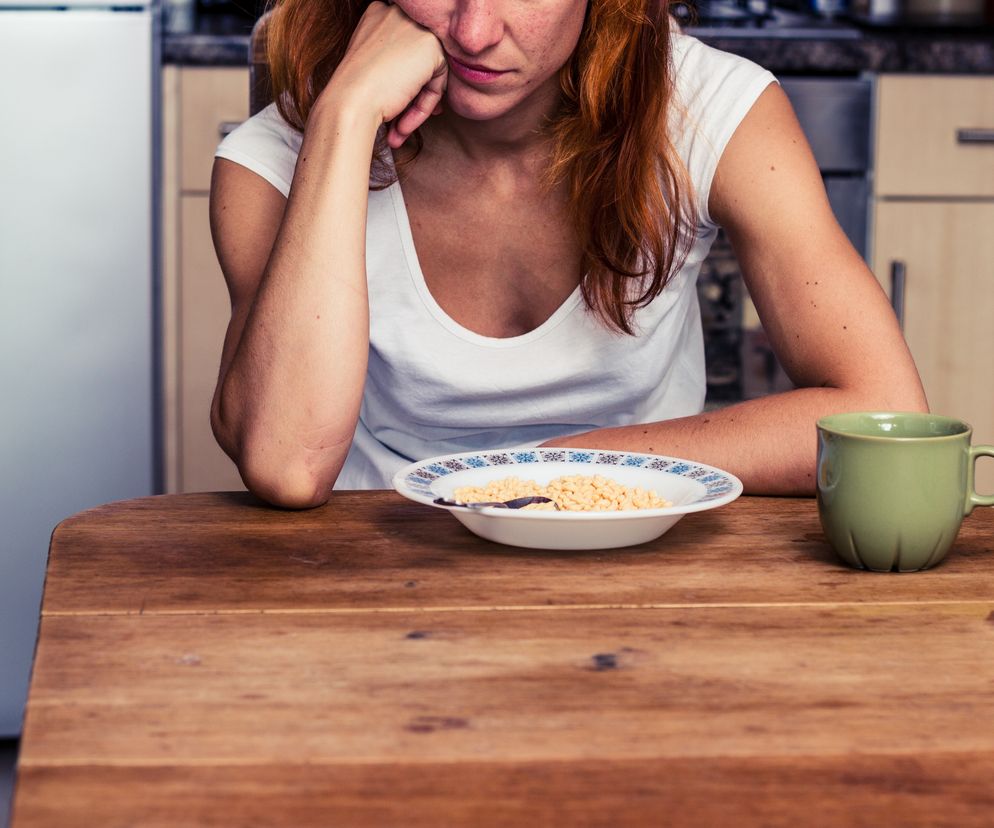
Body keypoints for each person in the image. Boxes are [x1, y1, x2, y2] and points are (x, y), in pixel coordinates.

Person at [209, 0, 927, 509]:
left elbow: (883, 410)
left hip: (635, 538)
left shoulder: (709, 107)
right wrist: (344, 115)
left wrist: (553, 472)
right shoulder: (270, 161)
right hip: (373, 558)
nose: (475, 30)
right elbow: (287, 468)